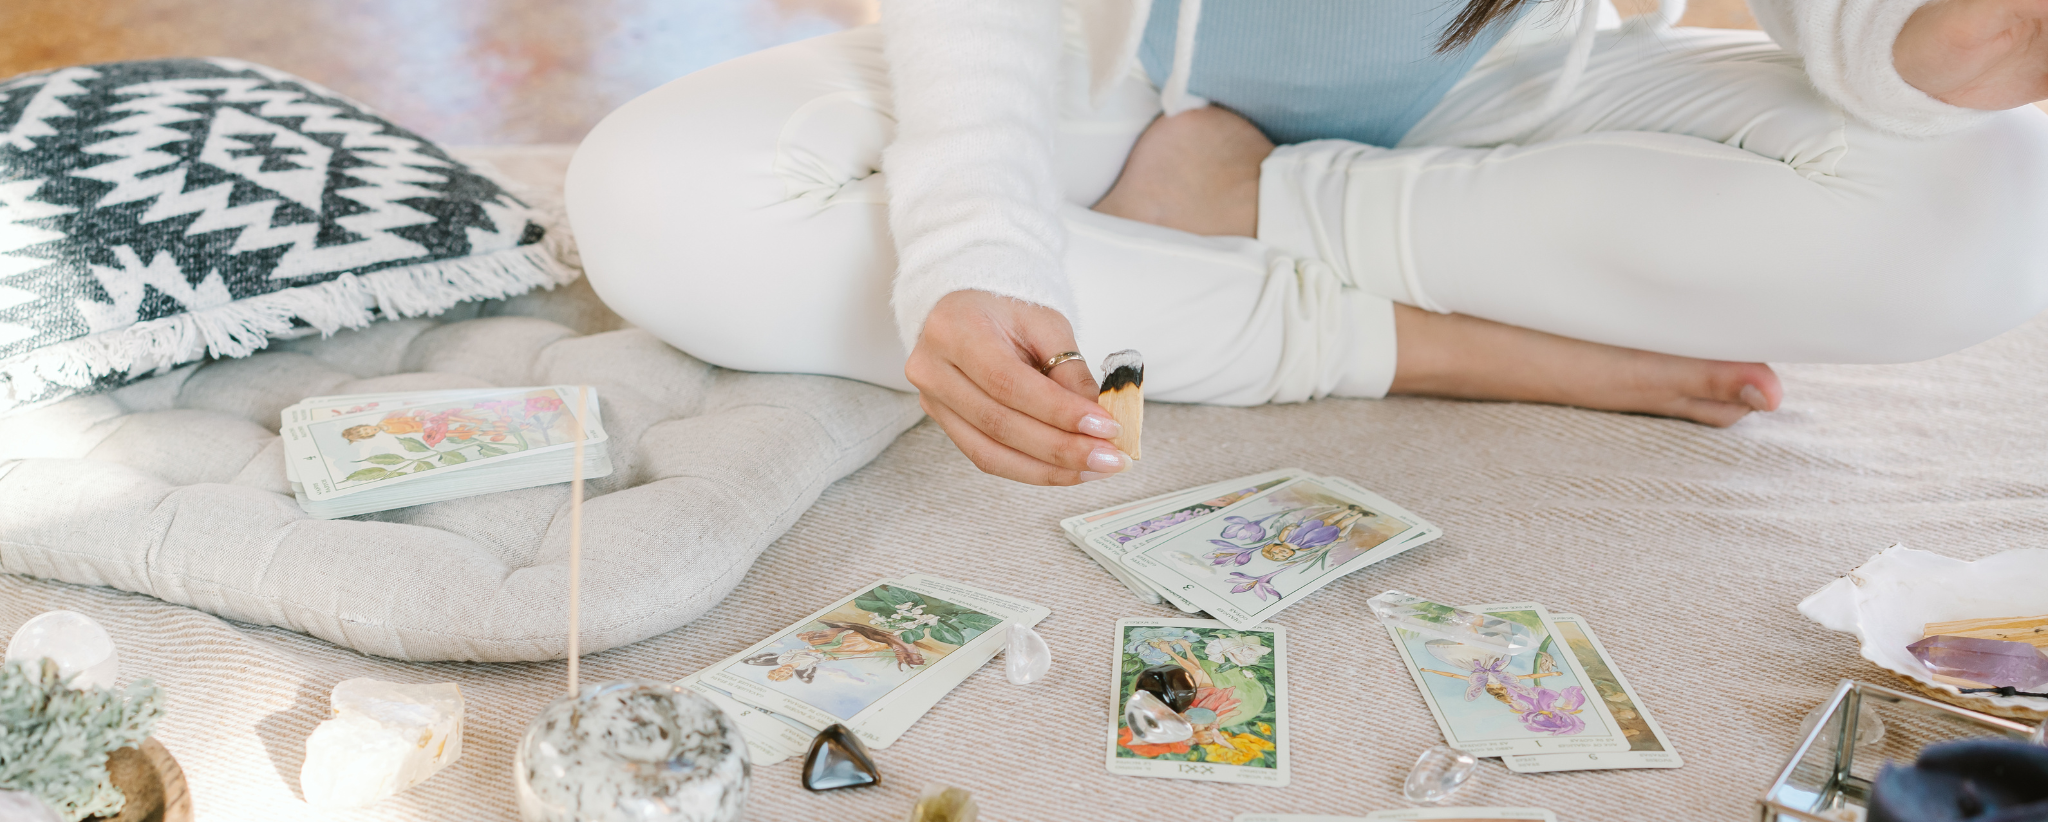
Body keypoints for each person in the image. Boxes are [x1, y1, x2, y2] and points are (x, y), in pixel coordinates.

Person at [566, 0, 2048, 487]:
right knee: (655, 198)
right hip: (1117, 75)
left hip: (1507, 90)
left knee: (1996, 210)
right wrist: (974, 247)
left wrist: (1945, 45)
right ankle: (1446, 344)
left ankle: (1263, 207)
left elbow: (1865, 34)